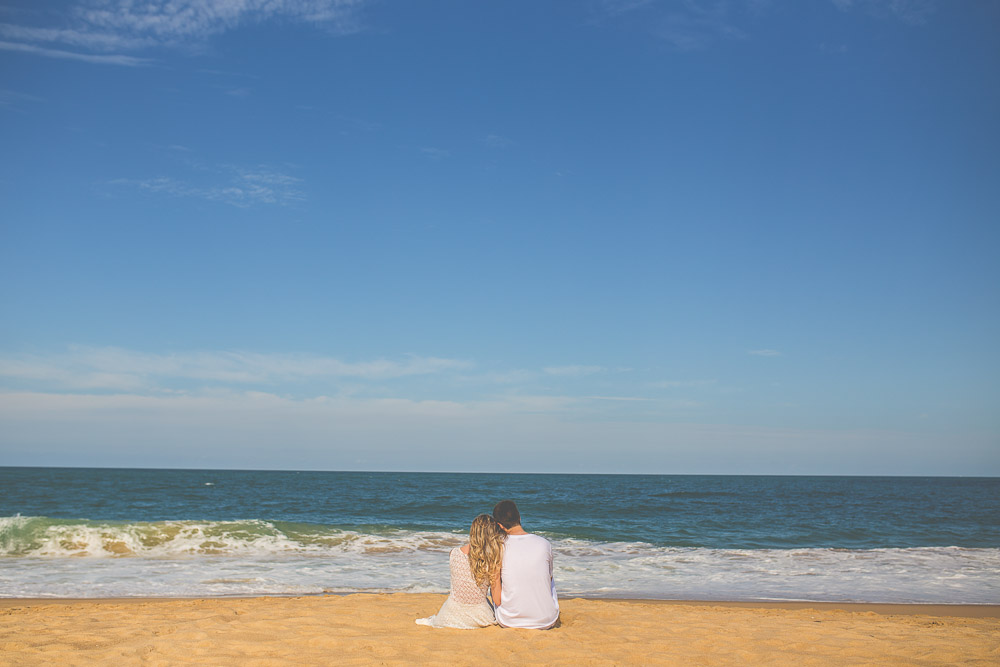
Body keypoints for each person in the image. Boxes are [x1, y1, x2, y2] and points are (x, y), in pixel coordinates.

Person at [416, 514, 507, 629]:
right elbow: (497, 600)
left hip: (449, 615)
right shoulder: (492, 562)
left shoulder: (454, 553)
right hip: (480, 617)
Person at [490, 500, 559, 629]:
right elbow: (549, 578)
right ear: (519, 518)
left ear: (500, 525)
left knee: (495, 577)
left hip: (509, 621)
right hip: (547, 620)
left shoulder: (498, 546)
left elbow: (497, 599)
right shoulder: (544, 543)